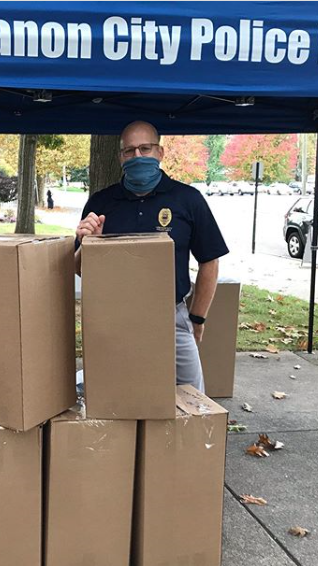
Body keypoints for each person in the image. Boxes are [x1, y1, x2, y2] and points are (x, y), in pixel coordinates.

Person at [74, 120, 229, 392]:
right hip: (114, 318)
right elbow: (79, 268)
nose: (137, 156)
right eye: (129, 150)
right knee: (114, 397)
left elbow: (210, 260)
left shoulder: (188, 199)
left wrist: (197, 318)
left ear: (160, 153)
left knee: (192, 400)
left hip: (172, 317)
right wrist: (88, 243)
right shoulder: (101, 202)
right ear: (121, 156)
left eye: (145, 149)